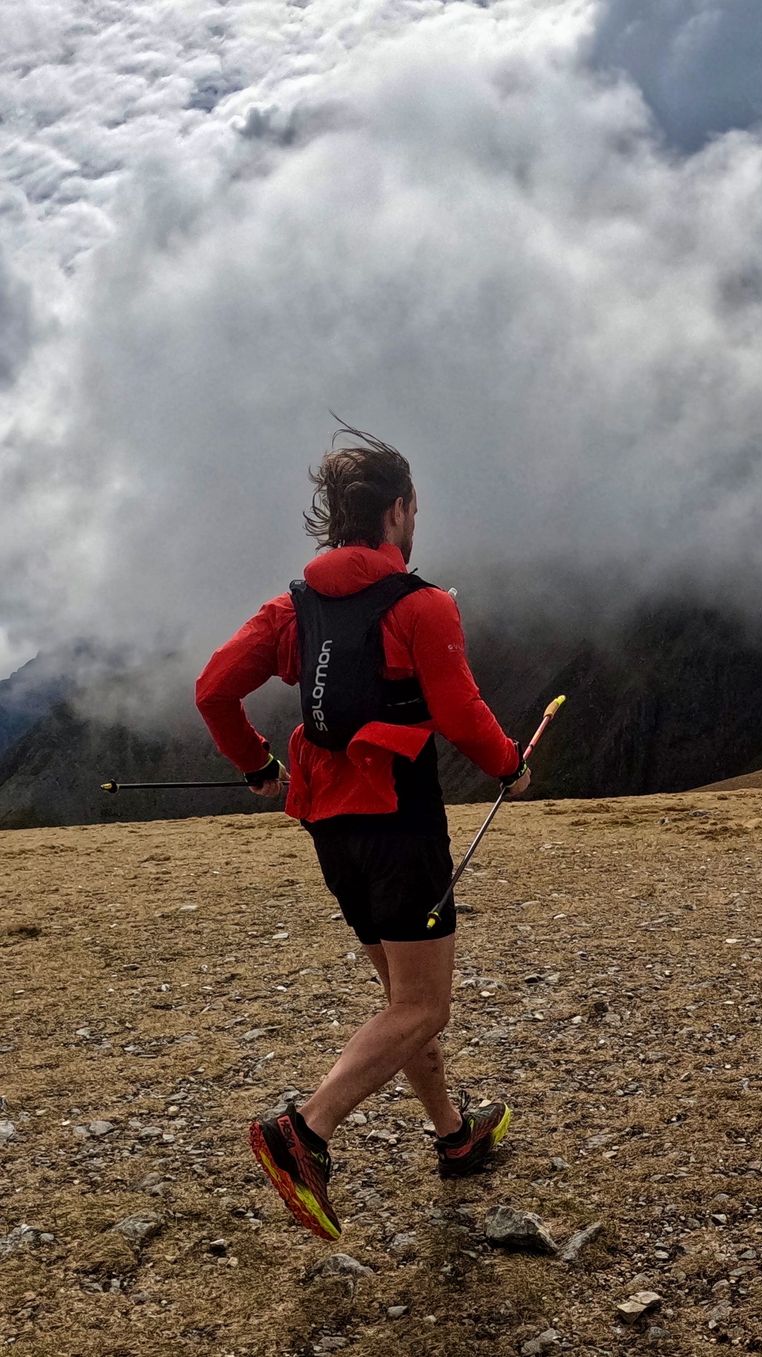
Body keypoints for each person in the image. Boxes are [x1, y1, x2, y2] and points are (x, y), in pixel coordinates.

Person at [195, 424, 532, 1240]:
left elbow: (213, 689)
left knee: (402, 997)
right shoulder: (421, 605)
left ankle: (454, 1135)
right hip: (400, 822)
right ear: (400, 511)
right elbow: (460, 712)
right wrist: (510, 765)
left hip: (329, 828)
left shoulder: (293, 608)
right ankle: (302, 1133)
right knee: (424, 1004)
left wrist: (256, 768)